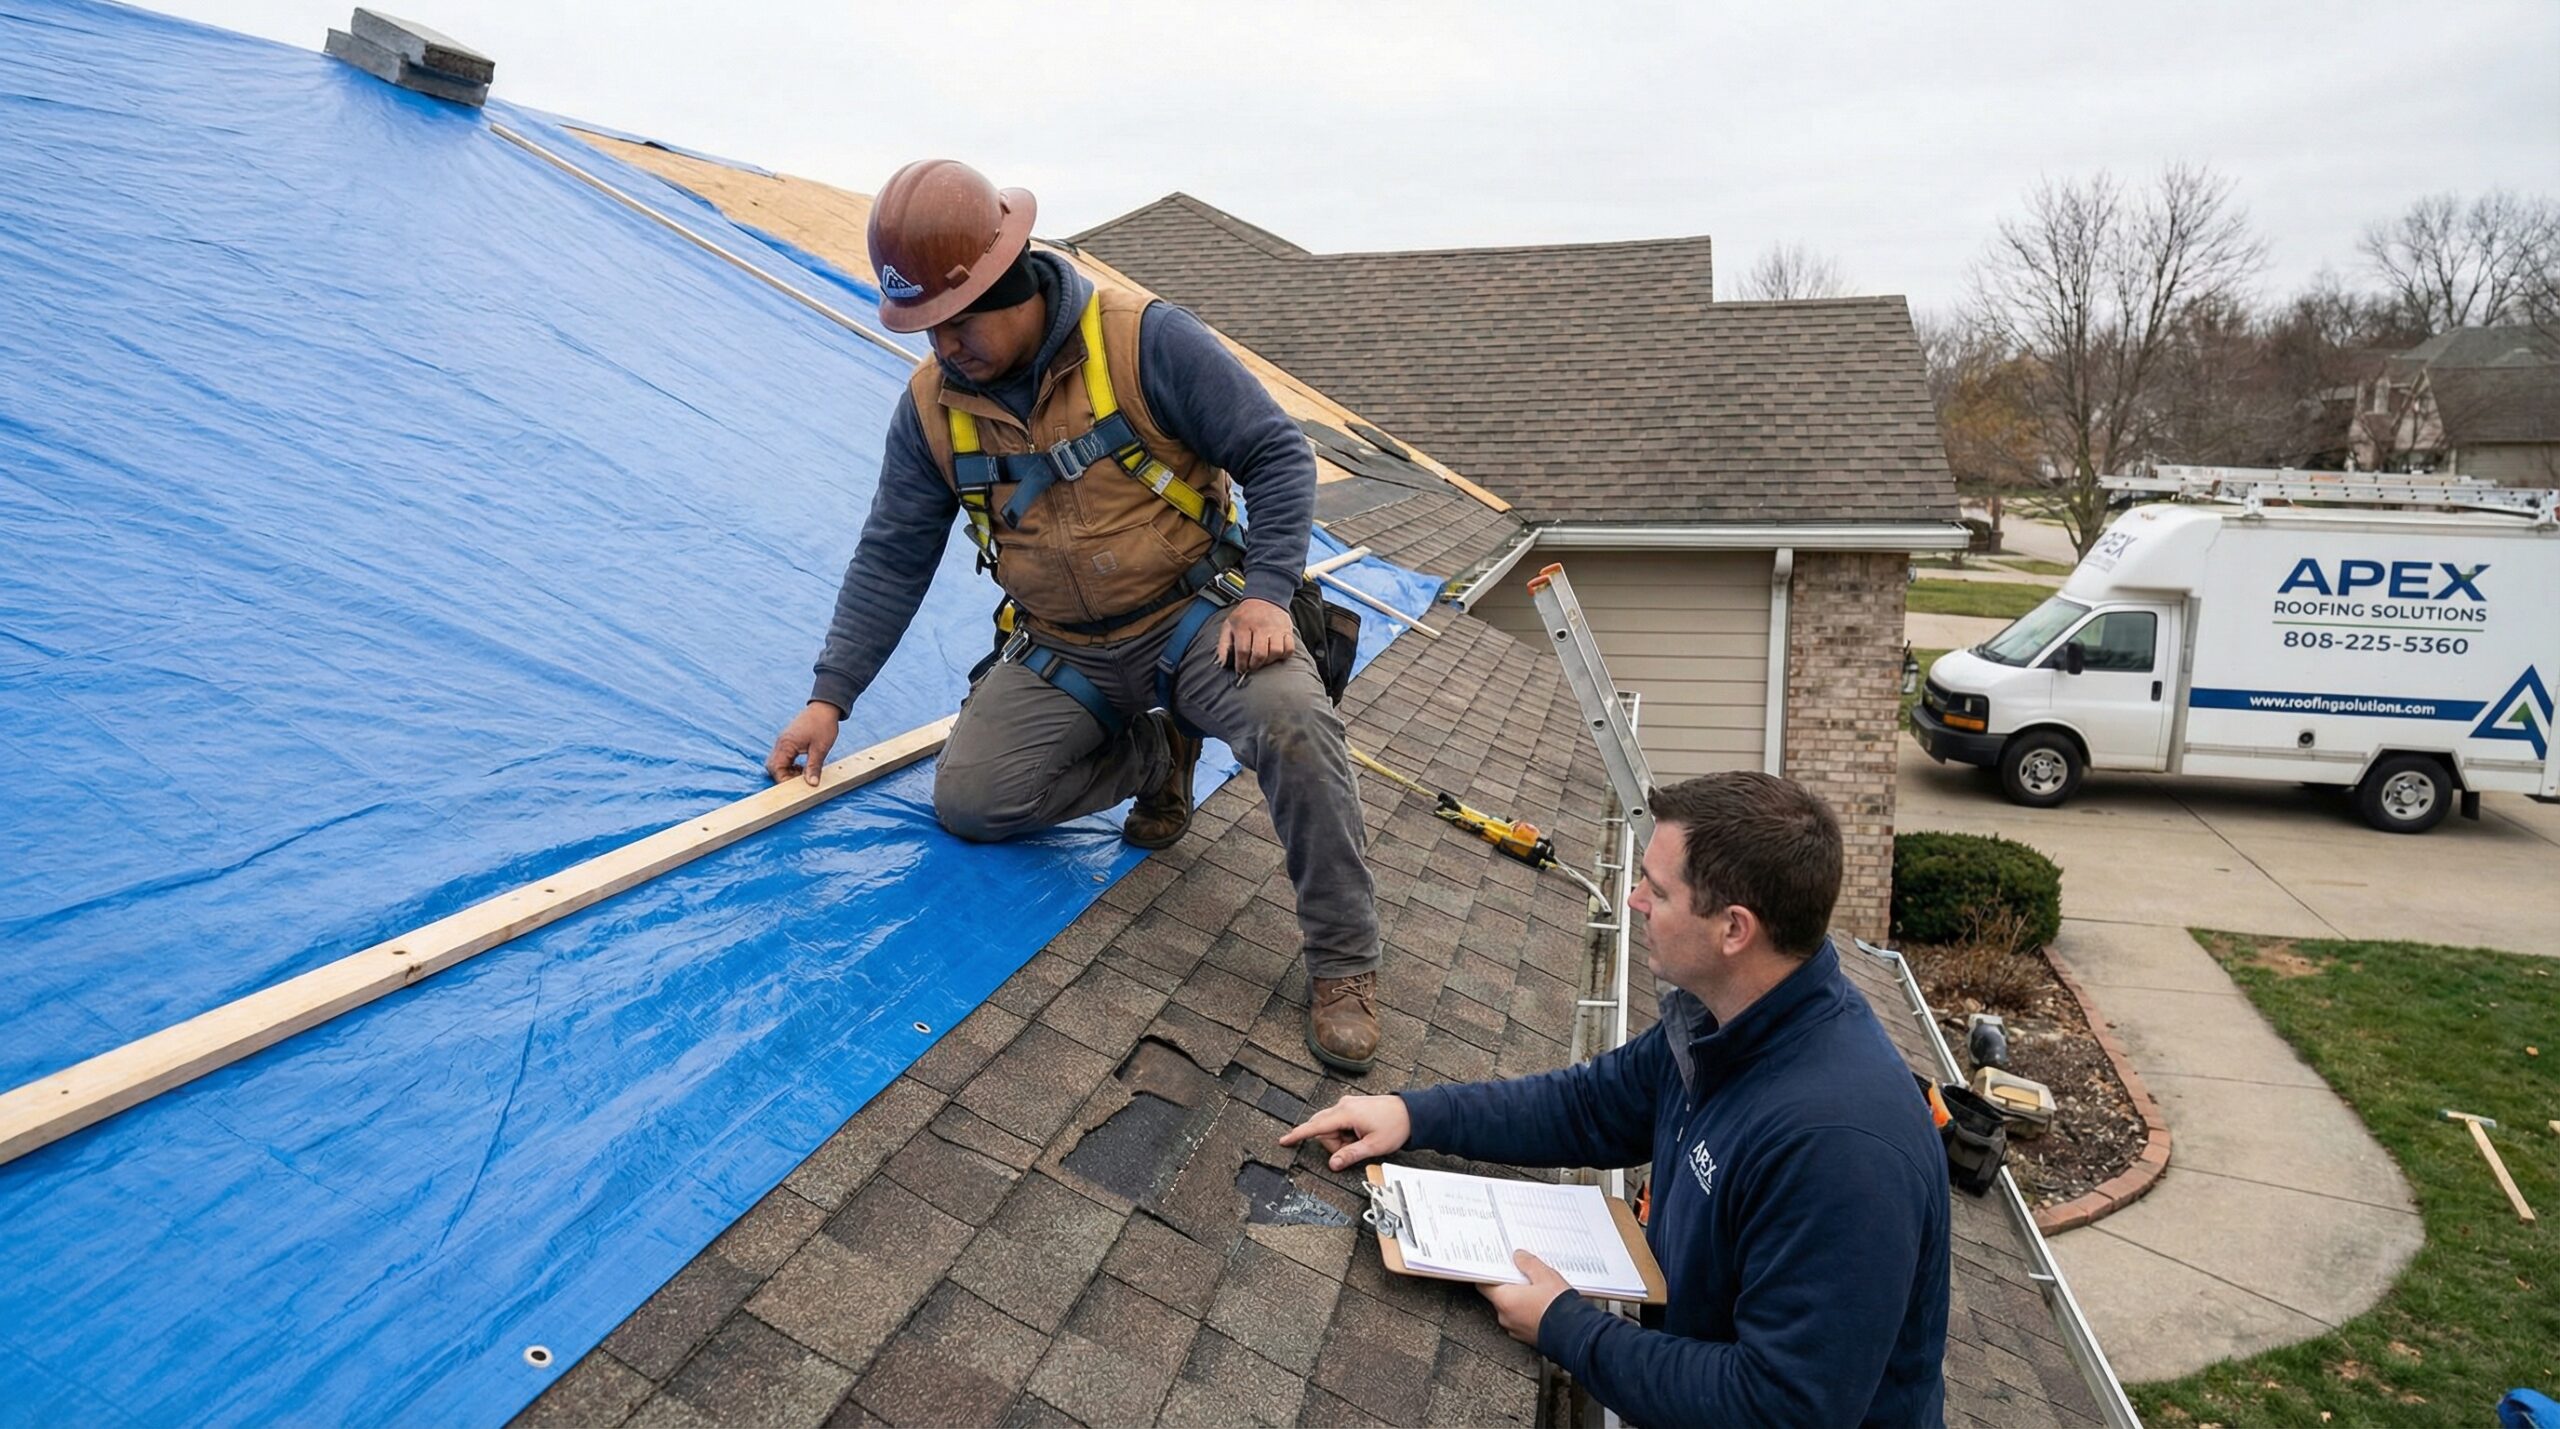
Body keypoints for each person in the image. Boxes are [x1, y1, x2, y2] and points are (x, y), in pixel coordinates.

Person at [764, 159, 1382, 1071]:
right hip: (1064, 648)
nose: (942, 347)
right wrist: (831, 696)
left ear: (1009, 283)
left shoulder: (1144, 342)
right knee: (971, 802)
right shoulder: (932, 409)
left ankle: (1344, 960)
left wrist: (1266, 593)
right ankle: (1153, 755)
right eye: (923, 329)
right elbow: (894, 551)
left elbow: (1278, 455)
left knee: (1294, 723)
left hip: (1195, 618)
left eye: (956, 321)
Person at [1281, 772, 1951, 1426]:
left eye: (1657, 890)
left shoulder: (1841, 1150)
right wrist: (1413, 1114)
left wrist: (1564, 1326)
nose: (1632, 899)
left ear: (1734, 929)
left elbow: (1778, 1404)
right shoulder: (1725, 1017)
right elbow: (1591, 1106)